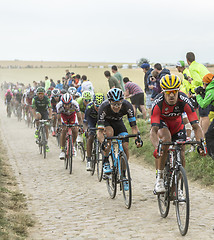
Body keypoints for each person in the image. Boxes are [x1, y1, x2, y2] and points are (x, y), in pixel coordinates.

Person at [150, 74, 205, 193]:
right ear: (163, 91)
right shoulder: (158, 103)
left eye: (174, 92)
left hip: (177, 125)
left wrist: (201, 143)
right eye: (168, 92)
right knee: (165, 140)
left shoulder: (184, 100)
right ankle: (159, 179)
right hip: (162, 124)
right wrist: (156, 148)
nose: (171, 95)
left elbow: (196, 126)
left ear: (178, 91)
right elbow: (153, 131)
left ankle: (178, 187)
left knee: (181, 153)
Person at [97, 88, 143, 176]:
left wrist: (137, 138)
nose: (116, 107)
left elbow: (133, 126)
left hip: (119, 123)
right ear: (109, 102)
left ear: (122, 101)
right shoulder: (103, 107)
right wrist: (103, 142)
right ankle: (106, 160)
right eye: (113, 104)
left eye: (118, 104)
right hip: (107, 122)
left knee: (125, 145)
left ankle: (123, 173)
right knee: (109, 134)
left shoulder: (127, 106)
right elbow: (99, 131)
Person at [186, 52, 210, 135]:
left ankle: (205, 136)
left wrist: (191, 82)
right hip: (208, 88)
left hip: (204, 90)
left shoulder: (192, 67)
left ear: (187, 60)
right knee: (202, 115)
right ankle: (200, 136)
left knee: (204, 115)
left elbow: (198, 81)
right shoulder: (199, 65)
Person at [56, 93, 83, 159]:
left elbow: (79, 117)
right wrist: (60, 126)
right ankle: (62, 150)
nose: (67, 106)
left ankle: (72, 145)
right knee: (64, 130)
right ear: (62, 103)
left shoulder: (75, 104)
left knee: (75, 129)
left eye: (68, 104)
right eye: (65, 104)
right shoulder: (59, 105)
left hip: (72, 116)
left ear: (71, 102)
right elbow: (59, 119)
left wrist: (80, 126)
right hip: (64, 116)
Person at [84, 93, 105, 171]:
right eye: (96, 106)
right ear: (93, 103)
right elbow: (85, 122)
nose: (98, 108)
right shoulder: (89, 107)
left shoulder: (105, 107)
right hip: (91, 120)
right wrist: (86, 130)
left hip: (101, 120)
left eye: (100, 106)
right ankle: (89, 160)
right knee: (91, 137)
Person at [196, 73, 214, 158]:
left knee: (209, 135)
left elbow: (203, 104)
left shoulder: (211, 91)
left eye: (204, 83)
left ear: (207, 84)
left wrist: (198, 96)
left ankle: (211, 155)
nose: (203, 85)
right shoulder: (211, 89)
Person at [32, 87, 52, 152]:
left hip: (44, 112)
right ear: (37, 94)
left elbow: (50, 109)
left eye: (42, 93)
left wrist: (50, 117)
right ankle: (37, 129)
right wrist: (35, 118)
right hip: (38, 111)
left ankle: (46, 142)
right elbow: (33, 109)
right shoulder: (35, 99)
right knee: (38, 116)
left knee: (46, 127)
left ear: (44, 94)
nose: (40, 95)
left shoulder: (47, 99)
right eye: (39, 94)